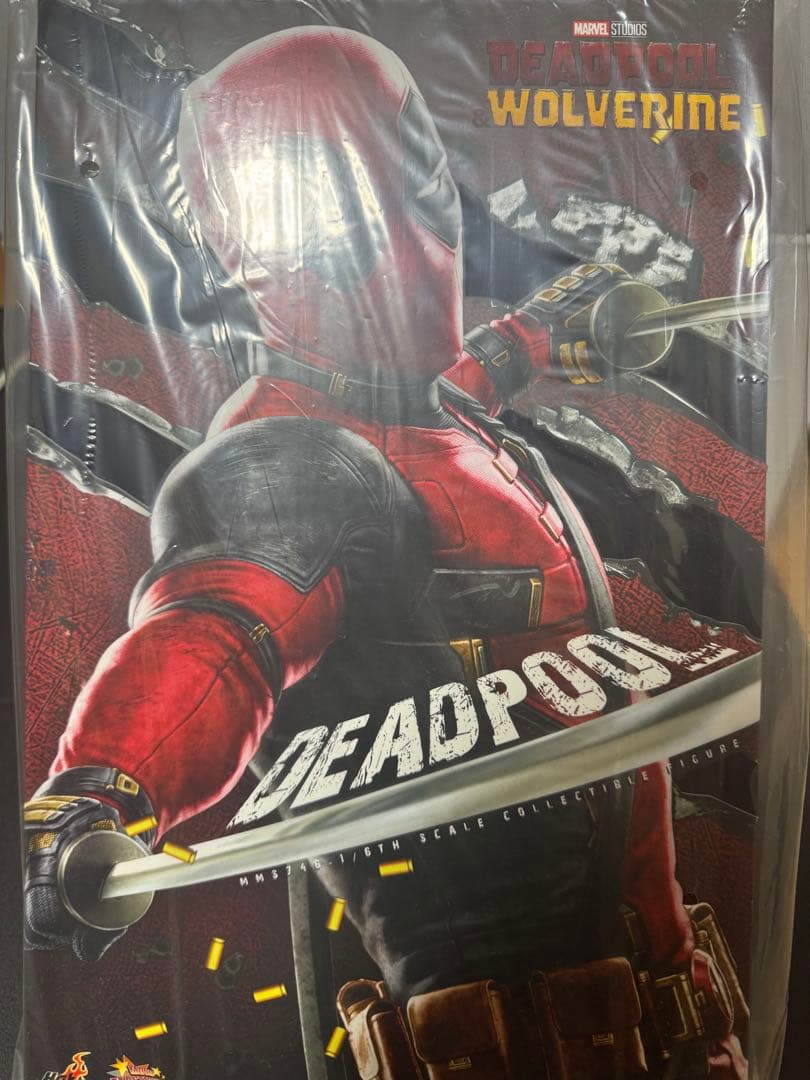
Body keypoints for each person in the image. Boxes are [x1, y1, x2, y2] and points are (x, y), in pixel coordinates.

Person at [23, 27, 747, 1079]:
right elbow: (208, 636)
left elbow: (443, 390)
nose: (421, 211)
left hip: (673, 1040)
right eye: (386, 173)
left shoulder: (429, 413)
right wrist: (103, 788)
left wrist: (549, 329)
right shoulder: (291, 460)